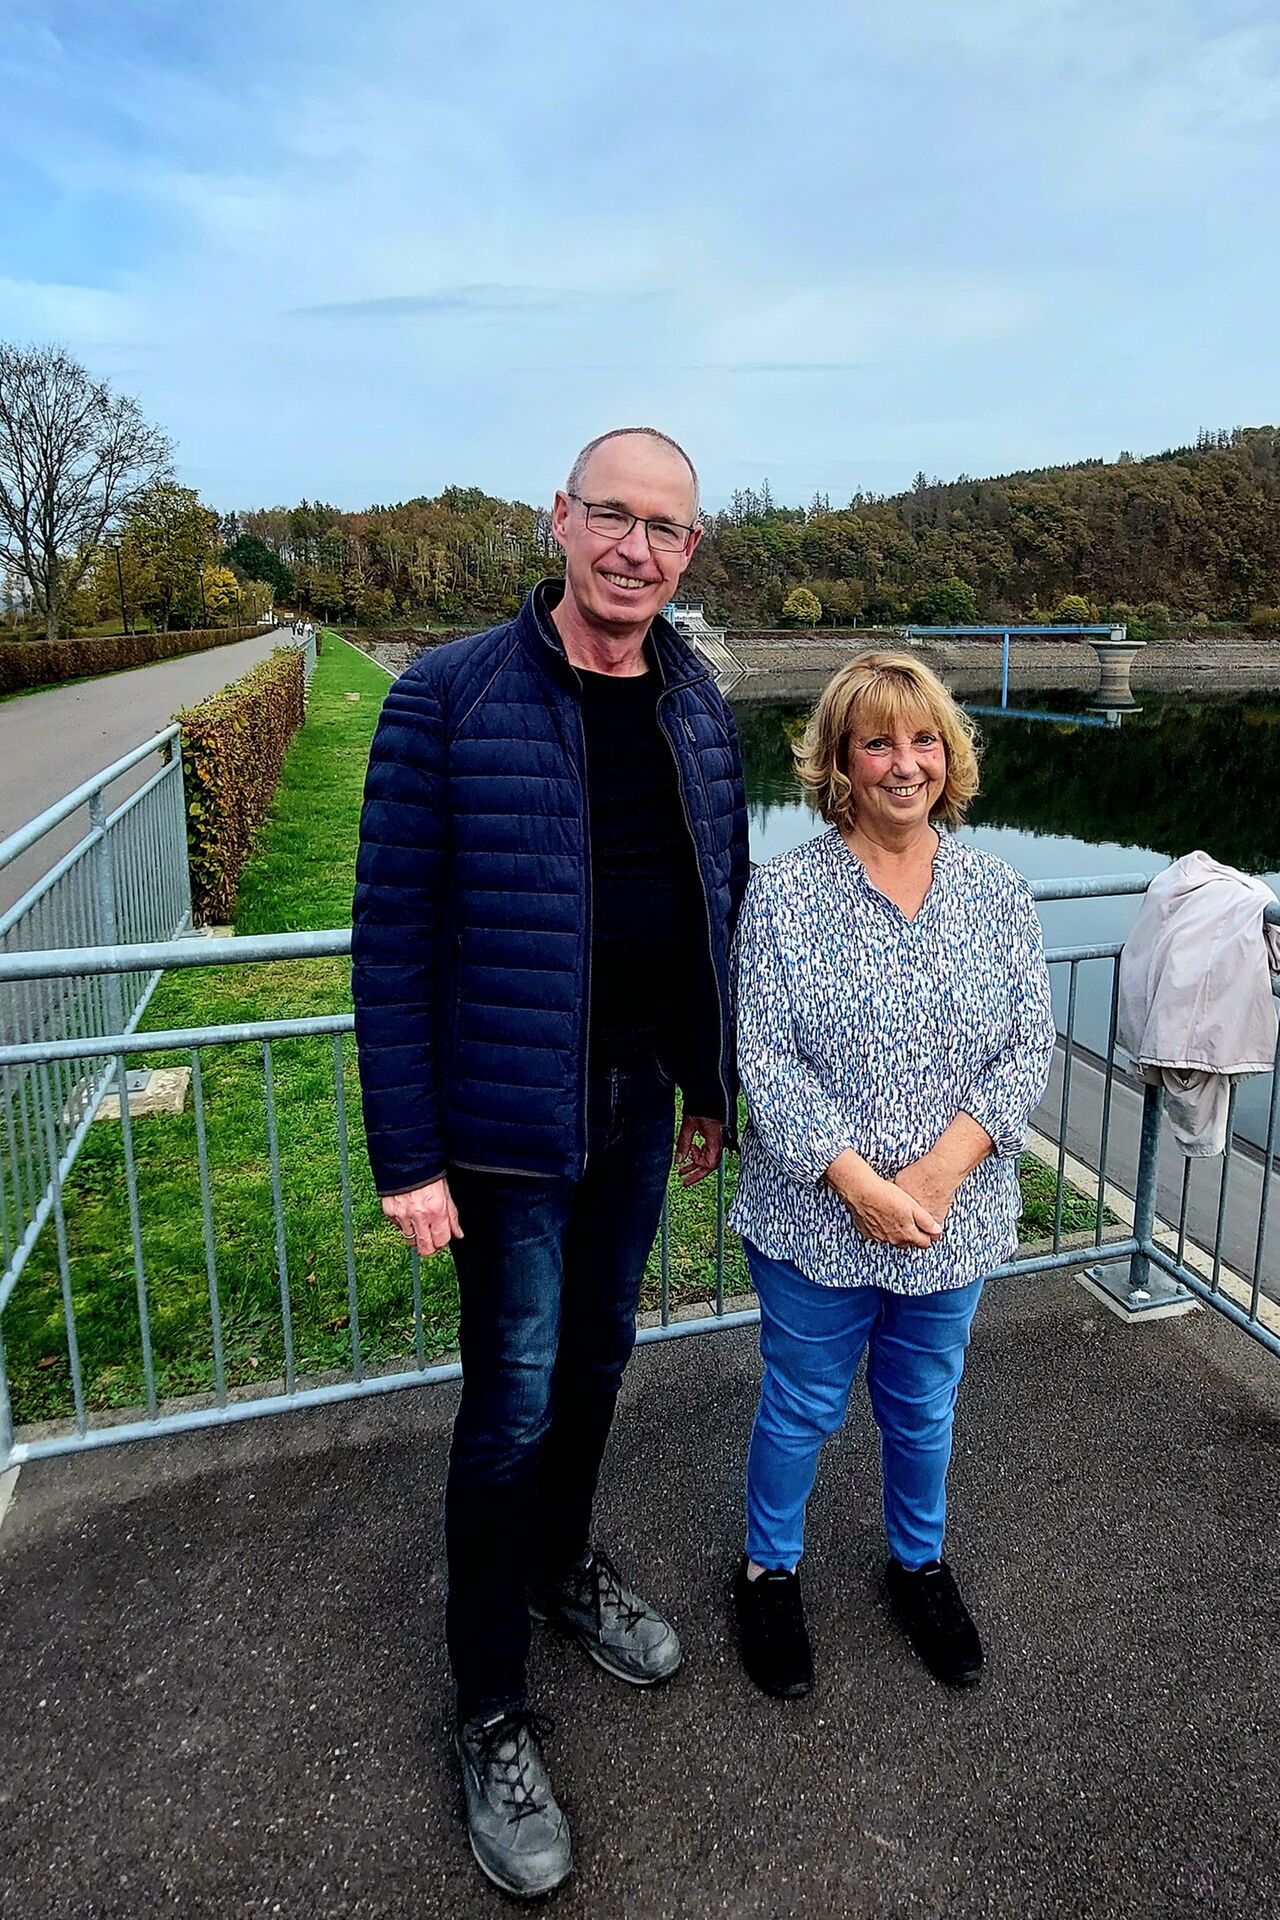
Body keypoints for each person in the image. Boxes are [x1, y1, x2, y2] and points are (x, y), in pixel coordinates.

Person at [351, 427, 749, 1898]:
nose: (637, 549)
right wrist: (411, 1153)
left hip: (642, 1105)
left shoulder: (699, 703)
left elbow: (720, 895)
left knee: (596, 1368)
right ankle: (488, 1711)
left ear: (690, 551)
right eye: (613, 518)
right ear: (560, 521)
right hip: (507, 1129)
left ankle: (560, 1563)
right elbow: (389, 938)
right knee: (510, 1405)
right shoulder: (447, 696)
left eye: (667, 529)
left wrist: (710, 1079)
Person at [728, 652, 1054, 1700]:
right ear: (837, 762)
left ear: (948, 757)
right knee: (802, 1406)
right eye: (875, 741)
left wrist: (944, 1167)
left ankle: (917, 1563)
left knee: (921, 1406)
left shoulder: (995, 891)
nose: (902, 763)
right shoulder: (781, 896)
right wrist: (857, 1183)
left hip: (948, 1221)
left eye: (922, 740)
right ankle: (765, 1573)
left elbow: (1026, 1046)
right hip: (817, 1221)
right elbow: (764, 1058)